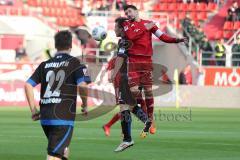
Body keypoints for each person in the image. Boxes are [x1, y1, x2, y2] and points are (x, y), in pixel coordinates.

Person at [24, 30, 91, 160]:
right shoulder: (76, 63)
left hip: (45, 117)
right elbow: (83, 85)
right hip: (62, 117)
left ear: (55, 46)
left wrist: (33, 110)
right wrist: (85, 104)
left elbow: (28, 85)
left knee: (63, 150)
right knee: (53, 155)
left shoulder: (44, 64)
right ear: (71, 45)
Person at [122, 5, 188, 134]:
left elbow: (162, 36)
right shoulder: (126, 24)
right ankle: (142, 117)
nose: (128, 14)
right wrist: (143, 29)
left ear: (136, 11)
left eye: (129, 11)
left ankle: (150, 120)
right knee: (134, 93)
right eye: (126, 13)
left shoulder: (149, 24)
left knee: (148, 92)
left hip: (146, 62)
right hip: (134, 62)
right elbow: (130, 37)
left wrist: (177, 40)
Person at [108, 17, 152, 152]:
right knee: (130, 105)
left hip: (127, 77)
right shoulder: (131, 39)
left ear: (122, 29)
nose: (114, 29)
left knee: (124, 106)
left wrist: (114, 74)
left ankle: (127, 139)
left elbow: (120, 58)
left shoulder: (124, 40)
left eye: (116, 27)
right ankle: (146, 121)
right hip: (135, 76)